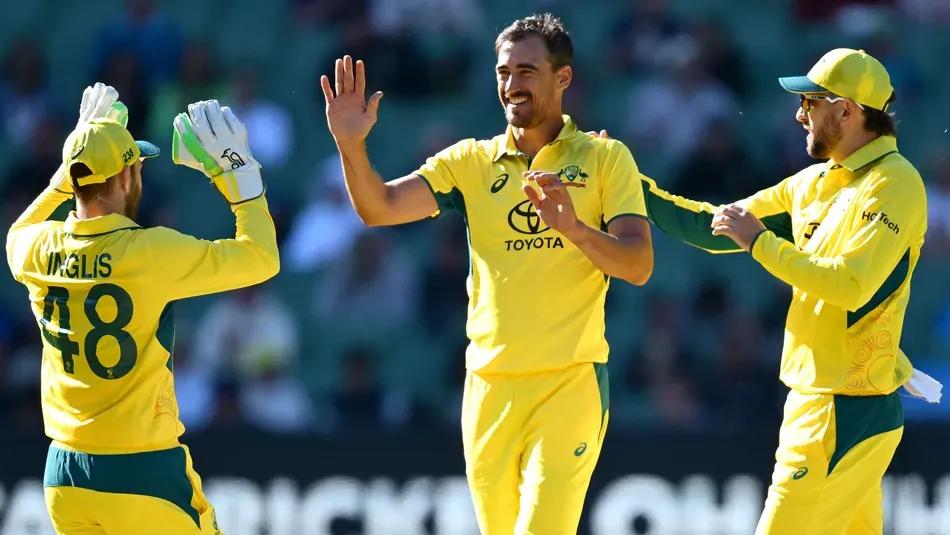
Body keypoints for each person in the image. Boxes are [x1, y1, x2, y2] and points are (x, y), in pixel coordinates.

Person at [321, 13, 653, 534]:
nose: (512, 84)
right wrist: (350, 145)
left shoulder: (606, 158)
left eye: (527, 71)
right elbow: (379, 207)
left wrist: (575, 230)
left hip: (569, 385)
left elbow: (638, 265)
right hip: (488, 389)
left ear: (563, 77)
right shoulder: (470, 163)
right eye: (503, 72)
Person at [636, 48, 940, 534]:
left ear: (847, 111)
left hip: (843, 410)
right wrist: (628, 183)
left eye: (810, 102)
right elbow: (713, 227)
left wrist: (761, 243)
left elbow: (851, 285)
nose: (800, 115)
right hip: (822, 403)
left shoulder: (894, 182)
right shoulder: (812, 183)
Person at [5, 83, 279, 534]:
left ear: (74, 182)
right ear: (124, 179)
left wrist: (68, 173)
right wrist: (241, 176)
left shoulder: (38, 248)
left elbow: (17, 231)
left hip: (65, 475)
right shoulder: (149, 252)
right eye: (136, 167)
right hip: (141, 470)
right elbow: (262, 258)